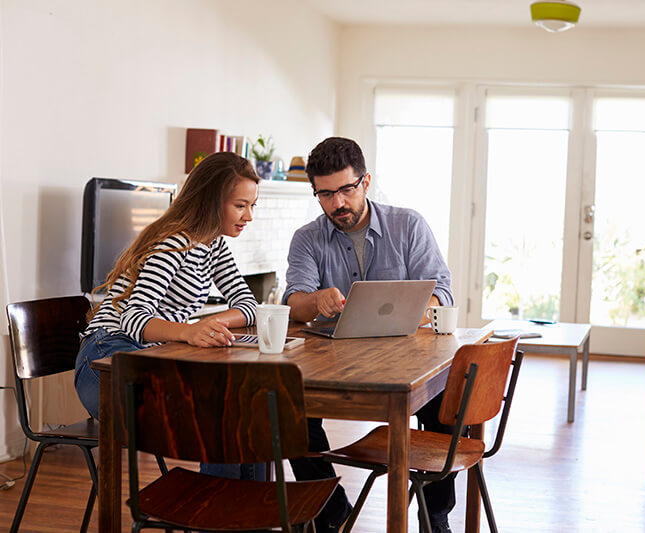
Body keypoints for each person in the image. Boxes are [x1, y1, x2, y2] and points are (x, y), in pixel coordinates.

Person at [282, 137, 455, 533]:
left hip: (407, 358)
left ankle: (435, 514)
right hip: (332, 361)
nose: (337, 203)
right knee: (288, 411)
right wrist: (316, 301)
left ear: (365, 182)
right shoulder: (307, 238)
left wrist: (420, 307)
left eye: (346, 189)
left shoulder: (408, 224)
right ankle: (328, 505)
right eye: (325, 194)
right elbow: (294, 301)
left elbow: (441, 291)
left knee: (447, 406)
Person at [74, 151, 264, 481]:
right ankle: (218, 516)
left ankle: (251, 517)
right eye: (240, 205)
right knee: (221, 414)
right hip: (105, 360)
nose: (249, 216)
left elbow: (249, 306)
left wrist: (211, 324)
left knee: (248, 411)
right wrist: (189, 332)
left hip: (150, 356)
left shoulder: (213, 245)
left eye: (252, 205)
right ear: (210, 200)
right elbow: (133, 318)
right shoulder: (172, 242)